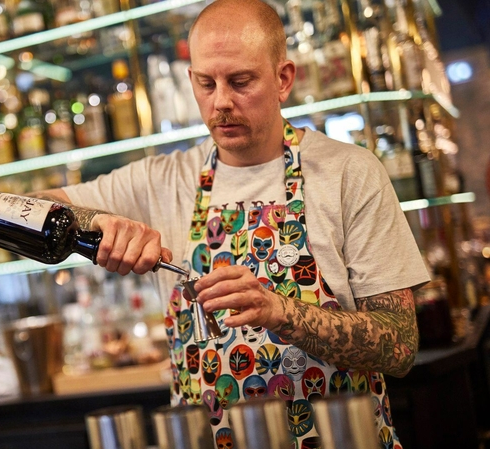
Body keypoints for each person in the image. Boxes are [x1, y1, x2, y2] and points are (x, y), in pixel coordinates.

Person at [26, 0, 429, 447]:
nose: (220, 102)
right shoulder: (161, 180)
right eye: (206, 82)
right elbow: (6, 207)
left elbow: (399, 345)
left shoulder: (348, 173)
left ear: (283, 79)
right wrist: (92, 220)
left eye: (240, 82)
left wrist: (281, 312)